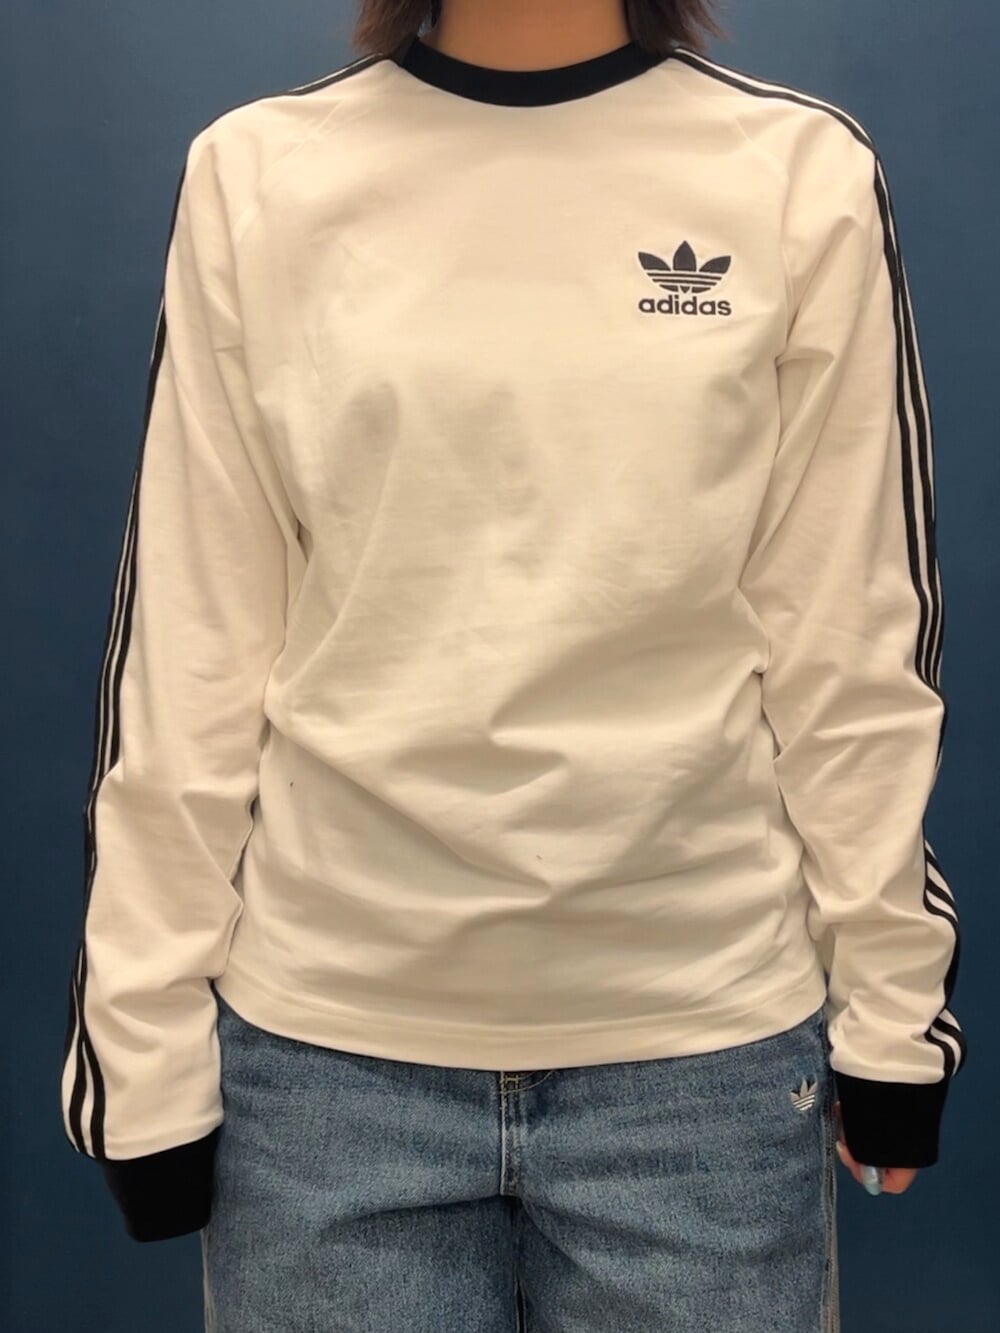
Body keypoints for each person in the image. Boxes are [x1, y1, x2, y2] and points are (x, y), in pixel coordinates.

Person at [61, 0, 967, 1328]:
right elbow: (190, 640)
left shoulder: (795, 173)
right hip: (325, 1069)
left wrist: (894, 1010)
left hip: (700, 1056)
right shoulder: (259, 173)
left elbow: (854, 637)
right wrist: (139, 1047)